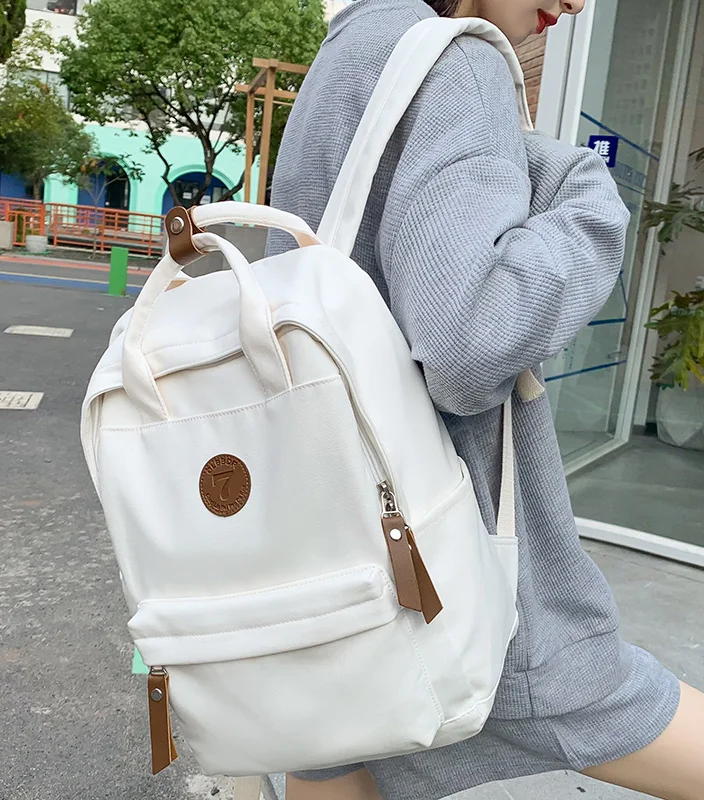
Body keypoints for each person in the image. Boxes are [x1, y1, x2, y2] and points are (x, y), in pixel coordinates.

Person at [265, 2, 704, 799]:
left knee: (333, 741)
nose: (579, 4)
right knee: (593, 700)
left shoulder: (356, 43)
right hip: (443, 559)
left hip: (325, 536)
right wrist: (585, 197)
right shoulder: (460, 62)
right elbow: (470, 344)